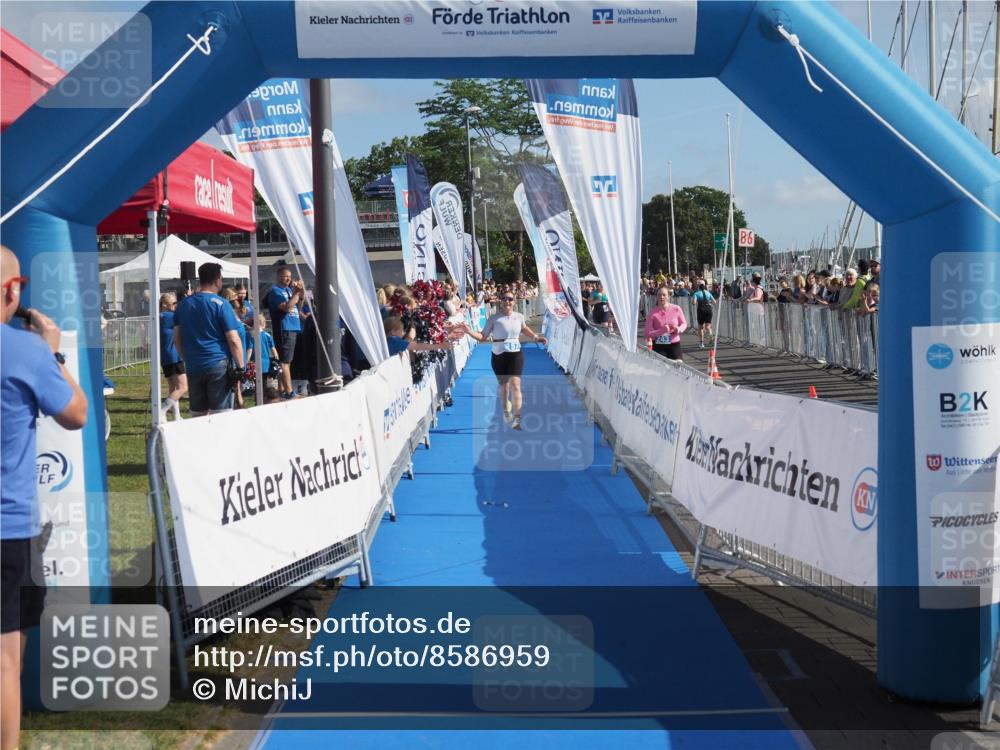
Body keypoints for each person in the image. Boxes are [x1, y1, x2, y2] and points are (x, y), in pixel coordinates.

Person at [1, 246, 88, 750]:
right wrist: (51, 351)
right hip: (9, 530)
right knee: (6, 663)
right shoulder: (26, 351)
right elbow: (75, 413)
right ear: (14, 290)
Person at [461, 292, 546, 431]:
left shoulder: (519, 316)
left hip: (515, 354)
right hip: (499, 355)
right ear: (501, 301)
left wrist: (536, 337)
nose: (507, 301)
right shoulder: (494, 318)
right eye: (504, 299)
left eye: (510, 299)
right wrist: (469, 331)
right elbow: (483, 337)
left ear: (514, 301)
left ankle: (517, 419)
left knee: (516, 384)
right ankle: (506, 409)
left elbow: (524, 329)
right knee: (504, 387)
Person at [173, 263, 245, 416]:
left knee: (198, 415)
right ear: (217, 280)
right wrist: (240, 366)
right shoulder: (221, 304)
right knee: (221, 415)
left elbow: (177, 338)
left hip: (193, 365)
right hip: (217, 363)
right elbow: (233, 339)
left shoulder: (183, 304)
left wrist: (186, 357)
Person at [267, 267, 305, 400]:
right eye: (285, 276)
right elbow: (287, 307)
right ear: (278, 277)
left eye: (290, 276)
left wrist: (300, 295)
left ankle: (282, 390)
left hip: (293, 326)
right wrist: (295, 293)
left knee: (288, 360)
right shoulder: (275, 292)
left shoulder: (289, 290)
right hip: (285, 328)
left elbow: (297, 308)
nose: (288, 279)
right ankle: (289, 392)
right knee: (285, 361)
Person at [158, 292, 187, 420]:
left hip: (166, 355)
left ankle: (176, 415)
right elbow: (185, 315)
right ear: (164, 304)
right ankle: (162, 411)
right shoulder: (168, 316)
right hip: (174, 355)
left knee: (173, 387)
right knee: (183, 387)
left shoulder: (160, 316)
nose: (176, 305)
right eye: (174, 303)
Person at [644, 285, 688, 361]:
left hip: (674, 343)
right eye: (659, 295)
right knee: (662, 368)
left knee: (678, 365)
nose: (662, 297)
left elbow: (684, 323)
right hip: (659, 345)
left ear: (668, 296)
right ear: (656, 297)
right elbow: (648, 333)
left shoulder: (676, 309)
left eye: (664, 295)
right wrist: (661, 331)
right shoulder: (652, 313)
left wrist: (679, 329)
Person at [384, 316, 459, 355]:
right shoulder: (394, 341)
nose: (404, 333)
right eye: (402, 330)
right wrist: (439, 346)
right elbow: (417, 346)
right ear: (393, 331)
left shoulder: (386, 340)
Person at [691, 281, 715, 348]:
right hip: (708, 309)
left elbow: (694, 303)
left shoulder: (696, 293)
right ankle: (711, 338)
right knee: (708, 327)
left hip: (701, 309)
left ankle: (701, 343)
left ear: (698, 286)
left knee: (701, 327)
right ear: (705, 286)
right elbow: (714, 302)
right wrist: (708, 302)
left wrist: (692, 301)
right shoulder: (708, 293)